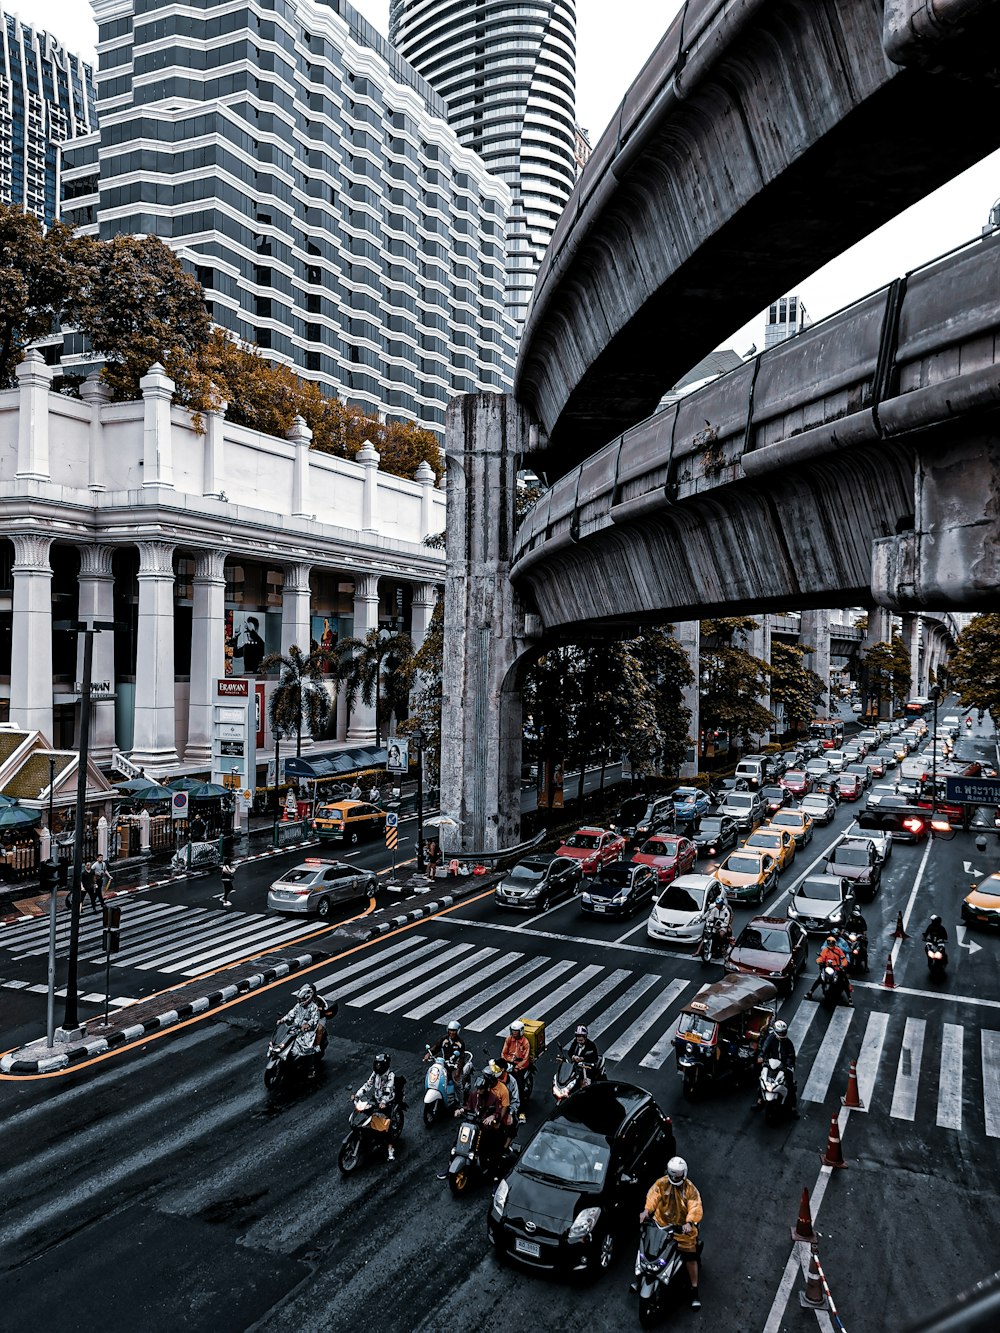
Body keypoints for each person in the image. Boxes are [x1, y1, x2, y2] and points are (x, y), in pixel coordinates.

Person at [633, 1157, 704, 1309]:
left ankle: (694, 1290)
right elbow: (653, 1196)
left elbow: (695, 1206)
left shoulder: (690, 1190)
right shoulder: (662, 1183)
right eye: (672, 1176)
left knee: (690, 1258)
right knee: (645, 1247)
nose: (674, 1179)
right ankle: (639, 1278)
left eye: (677, 1176)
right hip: (661, 1226)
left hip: (682, 1231)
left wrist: (689, 1222)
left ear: (683, 1174)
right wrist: (646, 1211)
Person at [356, 1053, 398, 1159]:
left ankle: (390, 1151)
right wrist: (358, 1094)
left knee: (386, 1128)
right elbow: (368, 1084)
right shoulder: (375, 1073)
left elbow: (388, 1090)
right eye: (377, 1064)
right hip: (376, 1099)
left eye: (380, 1065)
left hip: (387, 1102)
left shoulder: (390, 1076)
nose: (378, 1067)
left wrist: (383, 1102)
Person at [754, 1018, 799, 1115]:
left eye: (783, 1032)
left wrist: (789, 1066)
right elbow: (764, 1049)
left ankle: (793, 1107)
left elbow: (791, 1056)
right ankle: (759, 1100)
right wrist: (761, 1057)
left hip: (783, 1067)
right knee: (762, 1079)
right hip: (770, 1064)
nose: (782, 1034)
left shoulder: (788, 1043)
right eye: (780, 1032)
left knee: (790, 1085)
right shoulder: (770, 1039)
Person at [281, 983, 325, 1076]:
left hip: (308, 1031)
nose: (300, 1001)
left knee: (307, 1047)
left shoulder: (314, 1007)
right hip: (297, 1027)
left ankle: (311, 1068)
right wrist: (283, 1019)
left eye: (302, 999)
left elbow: (314, 1021)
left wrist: (307, 1026)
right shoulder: (298, 1006)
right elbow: (291, 1013)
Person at [806, 935, 852, 1004]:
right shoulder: (825, 950)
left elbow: (843, 959)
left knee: (844, 981)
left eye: (832, 943)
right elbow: (821, 957)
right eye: (829, 943)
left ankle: (849, 998)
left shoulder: (838, 950)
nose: (830, 944)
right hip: (827, 967)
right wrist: (819, 961)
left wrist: (842, 965)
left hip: (837, 968)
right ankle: (810, 992)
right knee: (819, 979)